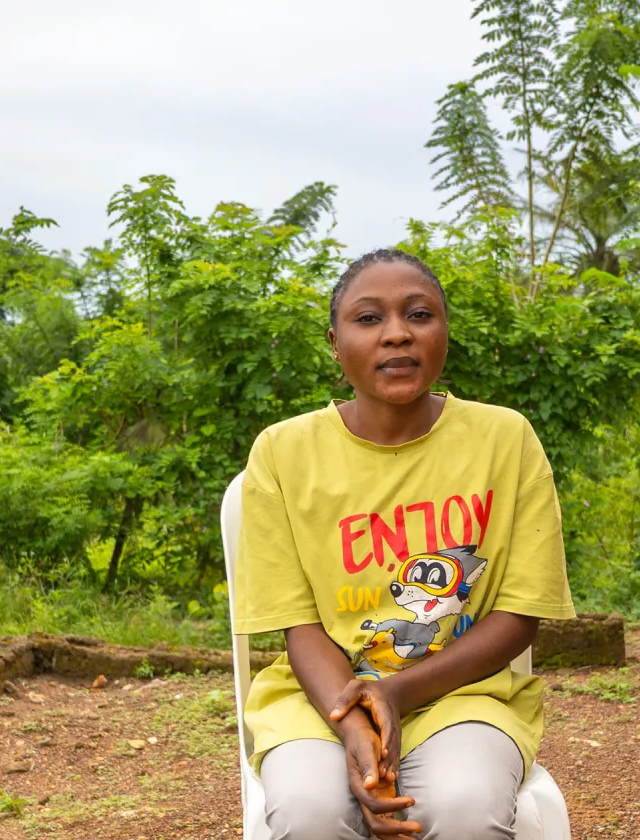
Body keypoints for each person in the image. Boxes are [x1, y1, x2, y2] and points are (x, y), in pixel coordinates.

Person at [233, 248, 577, 839]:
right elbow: (299, 626)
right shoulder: (283, 453)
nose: (397, 334)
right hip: (321, 702)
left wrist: (394, 692)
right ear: (336, 346)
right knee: (310, 812)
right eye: (369, 319)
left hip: (466, 699)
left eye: (419, 315)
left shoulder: (505, 439)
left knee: (466, 807)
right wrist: (354, 723)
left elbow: (521, 614)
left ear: (445, 332)